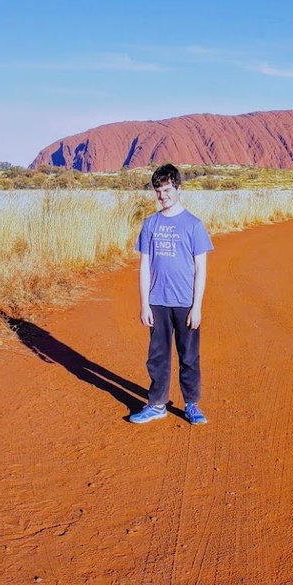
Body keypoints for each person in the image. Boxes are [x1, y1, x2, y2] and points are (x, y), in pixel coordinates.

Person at [129, 164, 212, 425]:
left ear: (178, 188)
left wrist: (197, 306)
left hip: (185, 303)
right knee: (158, 357)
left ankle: (191, 404)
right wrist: (145, 305)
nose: (162, 196)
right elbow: (144, 266)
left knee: (189, 356)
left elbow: (201, 269)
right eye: (158, 191)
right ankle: (157, 404)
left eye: (167, 190)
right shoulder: (150, 224)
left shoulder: (194, 225)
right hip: (158, 302)